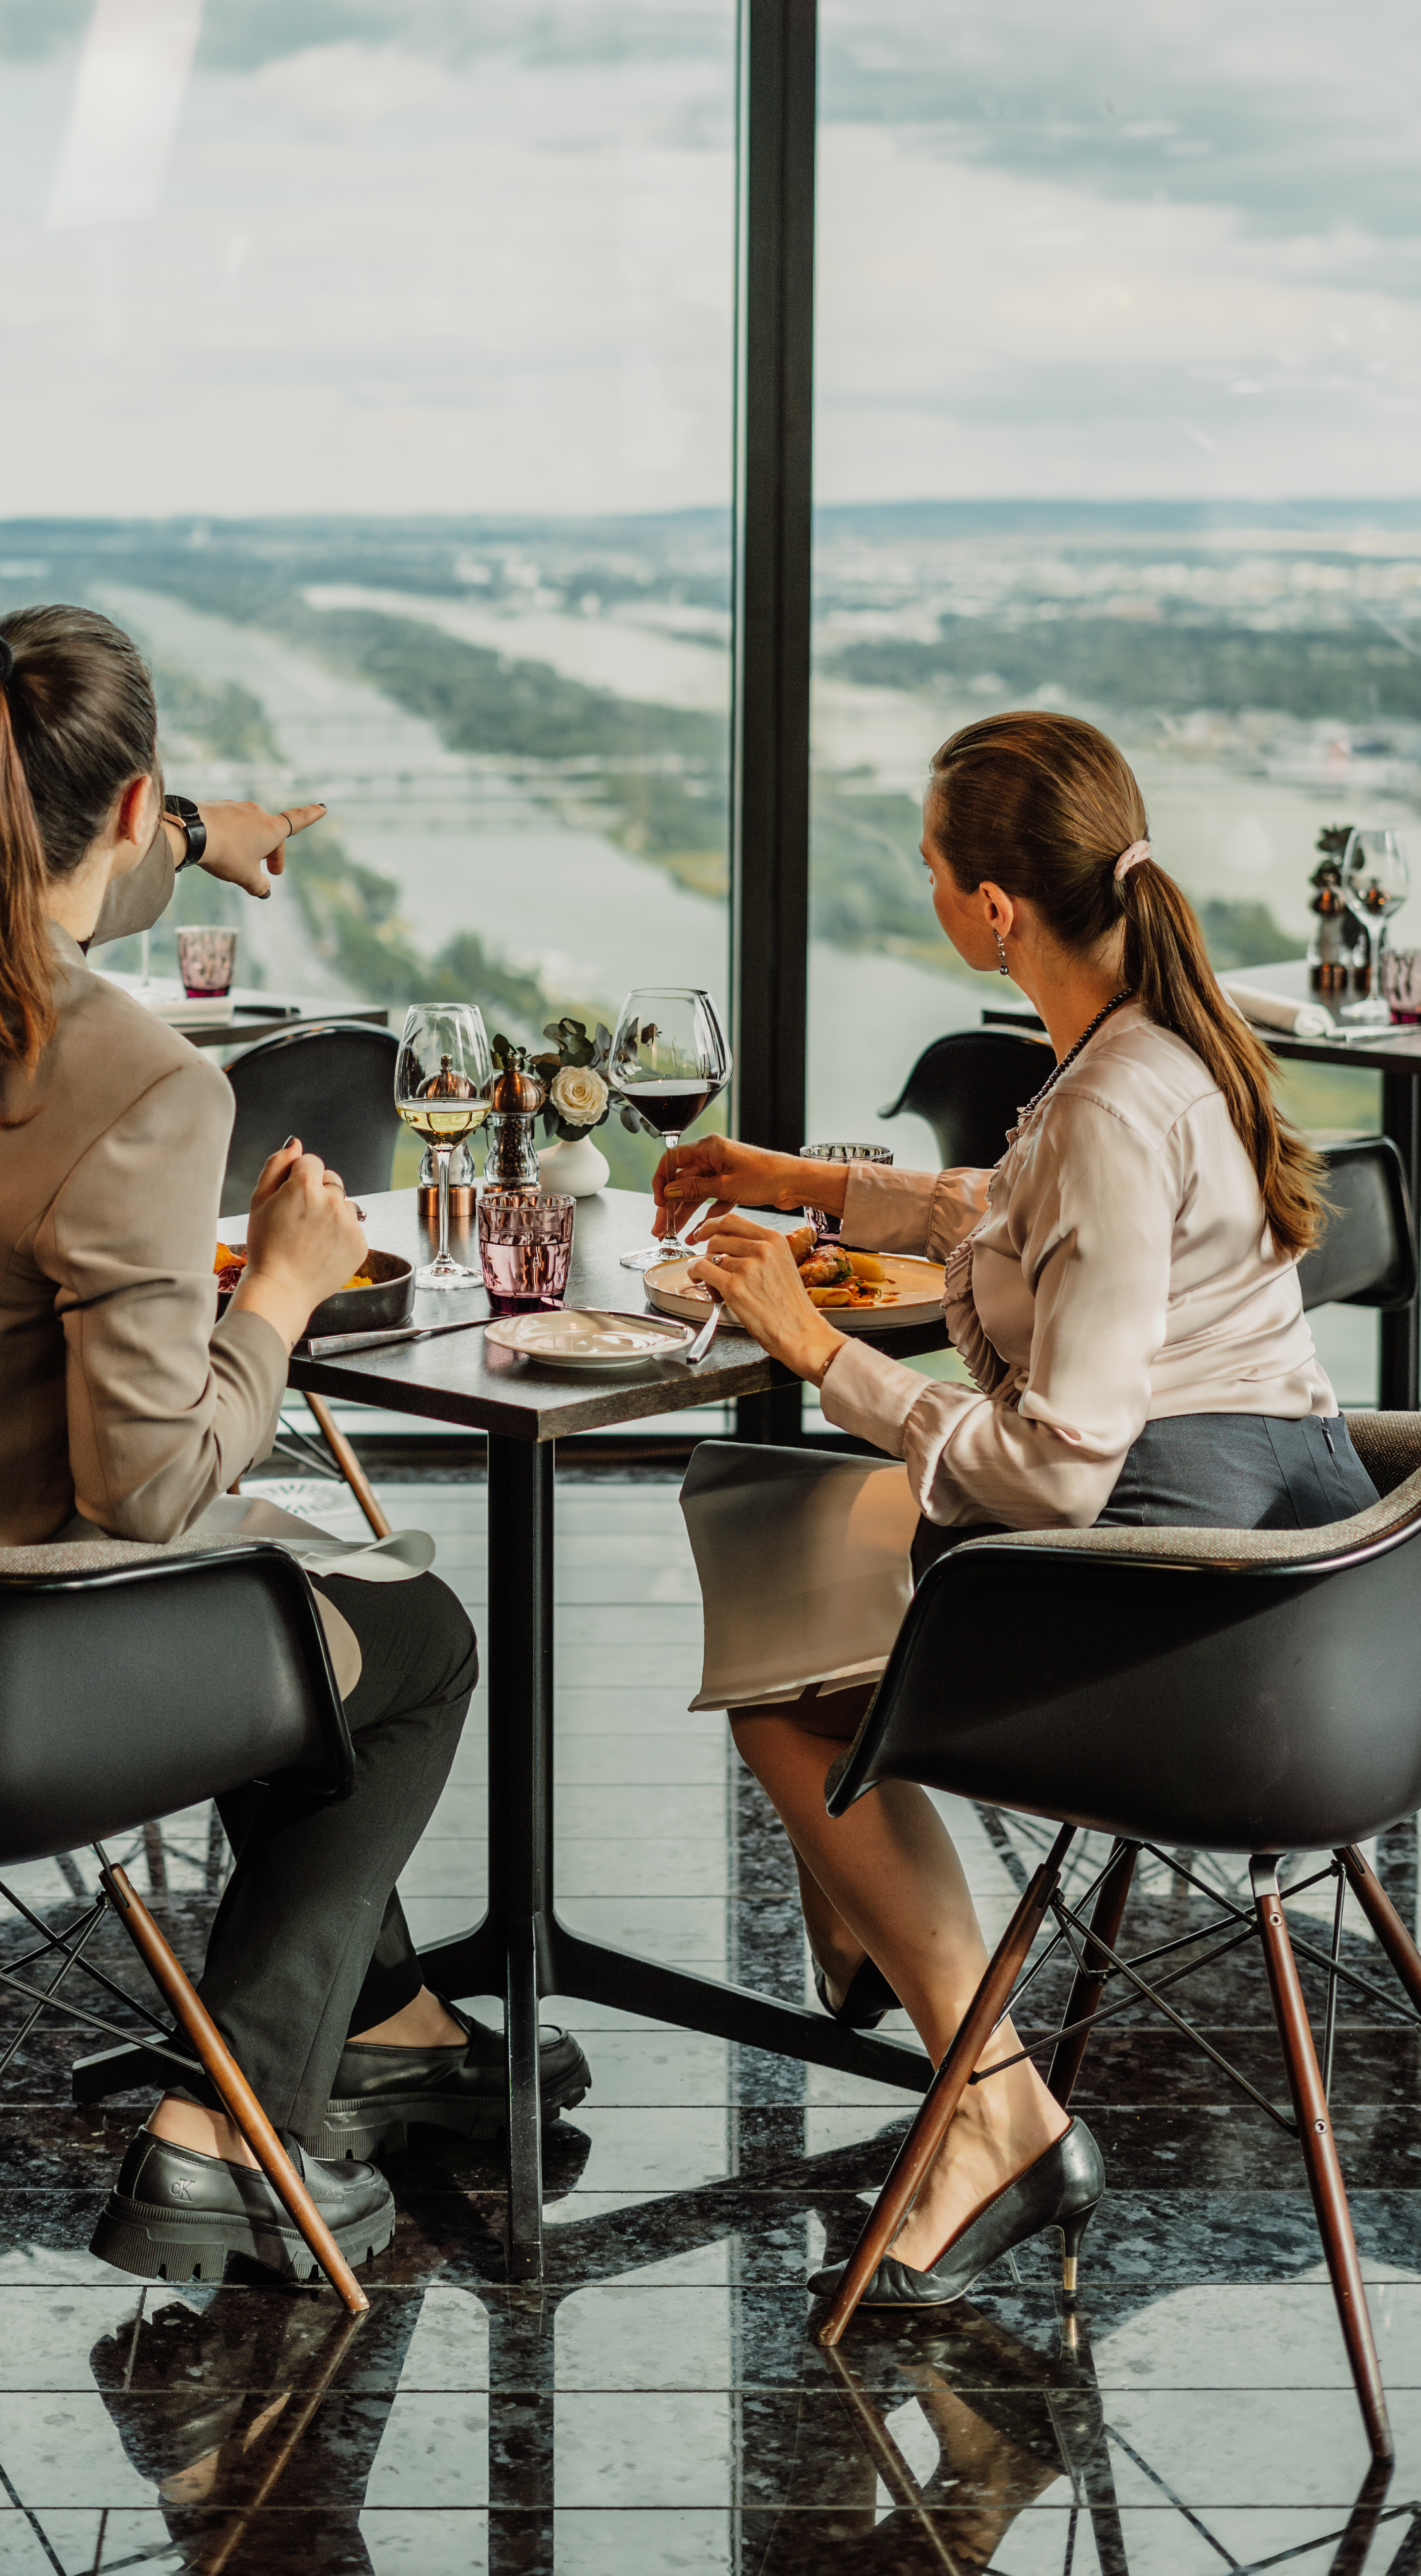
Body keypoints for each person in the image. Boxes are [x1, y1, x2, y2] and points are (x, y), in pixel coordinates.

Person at [0, 602, 586, 2281]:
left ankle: (387, 2027)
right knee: (405, 1638)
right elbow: (149, 1487)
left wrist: (192, 829)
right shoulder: (134, 1082)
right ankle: (224, 2129)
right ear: (122, 812)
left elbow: (22, 845)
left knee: (280, 1584)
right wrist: (285, 1300)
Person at [652, 710, 1375, 2309]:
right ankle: (872, 1918)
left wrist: (819, 1346)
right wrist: (799, 1179)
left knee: (784, 1677)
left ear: (991, 908)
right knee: (759, 1512)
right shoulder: (1133, 1054)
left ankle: (992, 2104)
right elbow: (1013, 1211)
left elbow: (1054, 1465)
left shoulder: (1114, 1101)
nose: (923, 890)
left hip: (1206, 1628)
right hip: (1314, 1582)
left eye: (928, 867)